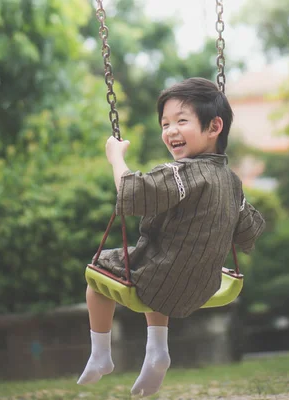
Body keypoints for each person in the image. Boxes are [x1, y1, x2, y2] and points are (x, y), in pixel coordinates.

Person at [77, 77, 265, 397]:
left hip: (160, 278)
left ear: (214, 126)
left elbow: (131, 192)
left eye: (181, 120)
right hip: (205, 286)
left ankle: (101, 354)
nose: (170, 131)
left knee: (97, 276)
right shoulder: (232, 182)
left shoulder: (180, 173)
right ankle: (157, 350)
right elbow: (248, 233)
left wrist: (116, 157)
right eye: (165, 124)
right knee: (161, 257)